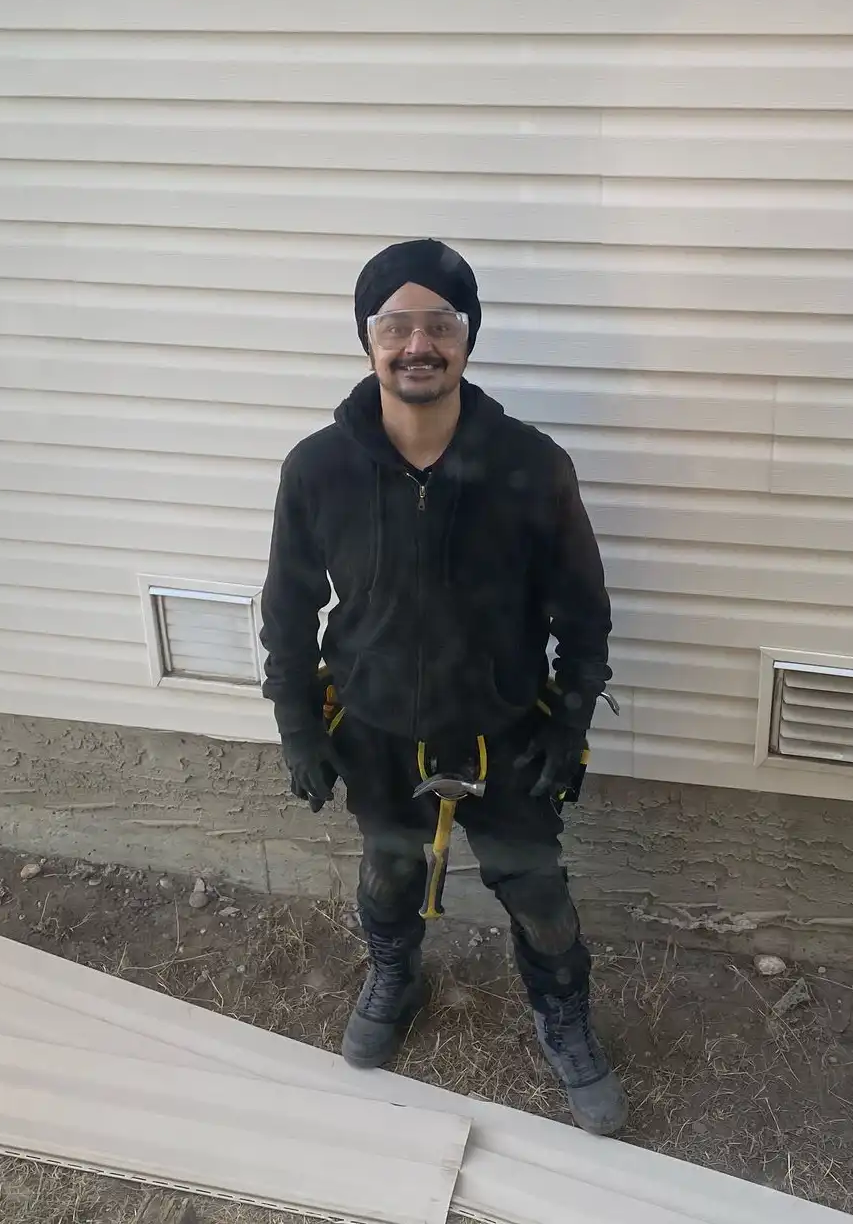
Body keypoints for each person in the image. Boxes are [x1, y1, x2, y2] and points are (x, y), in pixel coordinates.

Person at [258, 238, 626, 1135]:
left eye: (438, 324)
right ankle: (397, 973)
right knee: (387, 876)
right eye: (395, 325)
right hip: (377, 733)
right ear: (367, 339)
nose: (416, 343)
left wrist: (569, 721)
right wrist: (300, 728)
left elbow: (583, 614)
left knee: (541, 902)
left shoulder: (532, 465)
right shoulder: (318, 468)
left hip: (504, 734)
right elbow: (287, 608)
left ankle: (562, 1016)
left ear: (466, 338)